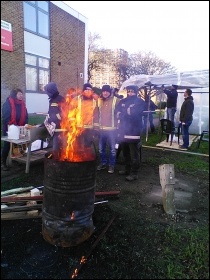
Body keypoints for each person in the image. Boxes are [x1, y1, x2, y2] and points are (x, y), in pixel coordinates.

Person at [115, 85, 145, 181]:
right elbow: (117, 112)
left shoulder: (140, 102)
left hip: (134, 131)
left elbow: (135, 115)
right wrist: (125, 113)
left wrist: (125, 114)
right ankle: (127, 169)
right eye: (128, 91)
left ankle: (134, 173)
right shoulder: (123, 101)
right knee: (125, 152)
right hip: (123, 131)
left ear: (136, 92)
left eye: (132, 91)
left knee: (134, 154)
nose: (130, 93)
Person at [1, 88, 28, 171]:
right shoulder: (7, 104)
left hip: (20, 128)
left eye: (21, 94)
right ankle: (3, 163)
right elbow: (5, 117)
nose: (21, 96)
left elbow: (26, 115)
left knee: (19, 144)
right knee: (7, 145)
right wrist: (14, 127)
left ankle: (16, 160)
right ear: (14, 95)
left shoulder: (22, 104)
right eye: (19, 94)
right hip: (9, 128)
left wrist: (25, 124)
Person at [97, 84, 119, 174]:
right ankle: (103, 163)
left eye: (107, 91)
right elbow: (97, 114)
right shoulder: (99, 100)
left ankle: (111, 165)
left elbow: (120, 114)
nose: (105, 93)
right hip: (101, 129)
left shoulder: (116, 100)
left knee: (112, 149)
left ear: (110, 92)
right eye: (104, 91)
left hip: (112, 130)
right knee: (101, 149)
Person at [43, 82, 65, 157]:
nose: (47, 94)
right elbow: (52, 112)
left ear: (51, 91)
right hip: (56, 127)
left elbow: (62, 114)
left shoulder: (58, 100)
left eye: (47, 92)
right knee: (58, 145)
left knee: (57, 145)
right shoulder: (54, 99)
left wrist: (53, 119)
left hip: (59, 127)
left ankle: (57, 161)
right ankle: (59, 158)